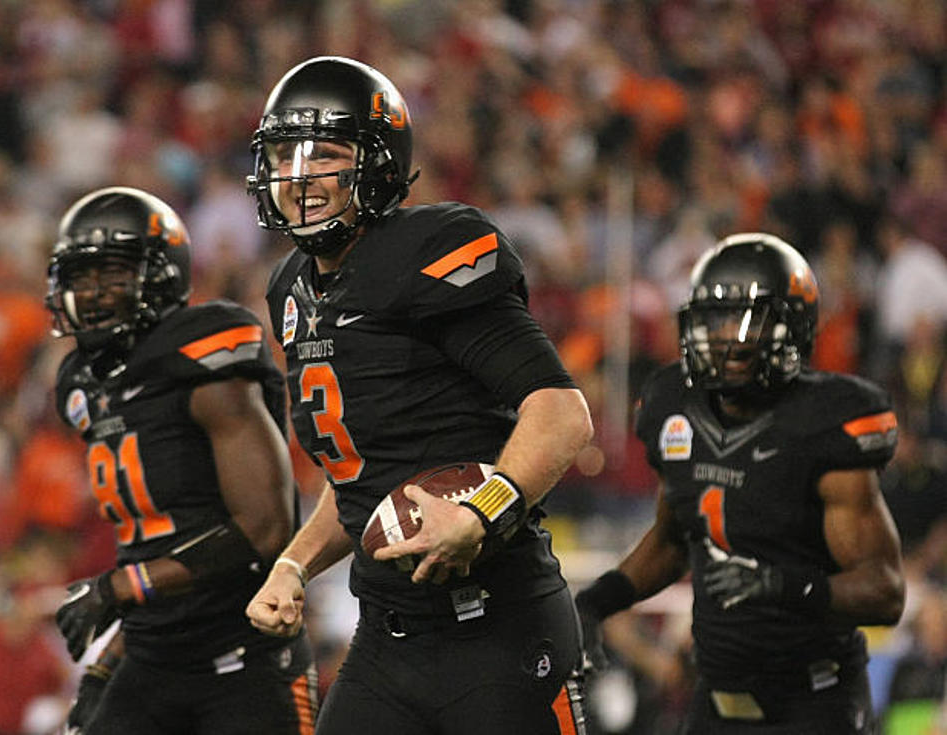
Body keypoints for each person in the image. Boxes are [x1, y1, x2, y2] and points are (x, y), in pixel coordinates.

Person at [244, 56, 593, 735]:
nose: (301, 175)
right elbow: (358, 476)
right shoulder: (291, 288)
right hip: (386, 640)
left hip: (499, 632)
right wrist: (293, 564)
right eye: (286, 154)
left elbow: (560, 410)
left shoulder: (429, 249)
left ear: (375, 164)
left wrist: (485, 512)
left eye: (327, 154)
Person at [575, 232, 905, 733]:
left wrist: (781, 586)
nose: (729, 338)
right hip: (716, 697)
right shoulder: (673, 405)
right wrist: (597, 603)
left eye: (748, 321)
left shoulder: (824, 423)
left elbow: (885, 592)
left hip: (813, 698)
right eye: (717, 320)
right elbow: (672, 538)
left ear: (793, 329)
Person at [45, 187, 316, 734]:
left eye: (112, 275)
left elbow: (265, 528)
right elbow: (153, 546)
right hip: (152, 659)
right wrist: (103, 670)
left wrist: (119, 588)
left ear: (159, 274)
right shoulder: (84, 386)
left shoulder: (206, 358)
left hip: (245, 658)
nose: (92, 293)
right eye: (81, 277)